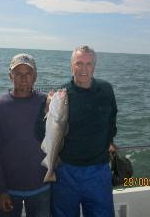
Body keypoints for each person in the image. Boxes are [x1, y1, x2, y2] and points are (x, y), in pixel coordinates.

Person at [37, 45, 118, 217]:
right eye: (79, 63)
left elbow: (112, 119)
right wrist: (46, 110)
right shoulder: (61, 95)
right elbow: (39, 132)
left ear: (94, 67)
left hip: (99, 170)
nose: (83, 69)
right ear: (71, 66)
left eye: (88, 64)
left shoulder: (106, 90)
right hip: (66, 171)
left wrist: (109, 141)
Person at [0, 53, 51, 217]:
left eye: (28, 73)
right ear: (10, 76)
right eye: (18, 74)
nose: (23, 78)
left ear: (35, 76)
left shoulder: (47, 102)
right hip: (9, 189)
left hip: (42, 186)